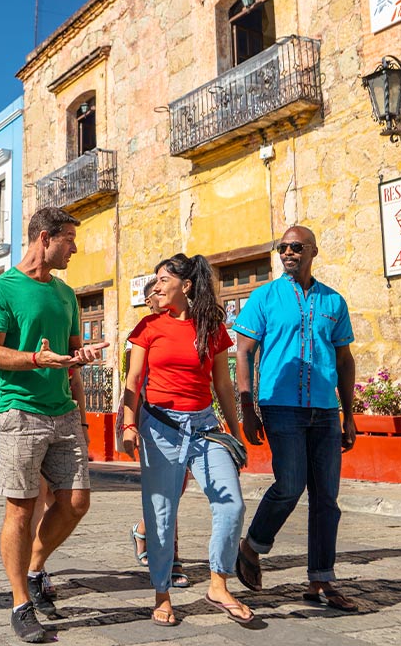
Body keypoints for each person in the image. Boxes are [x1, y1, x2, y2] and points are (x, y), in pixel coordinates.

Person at [0, 207, 107, 643]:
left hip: (63, 412)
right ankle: (20, 602)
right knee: (21, 508)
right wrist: (35, 358)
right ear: (45, 237)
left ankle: (34, 567)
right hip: (17, 411)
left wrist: (82, 362)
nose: (74, 247)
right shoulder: (1, 289)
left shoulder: (66, 294)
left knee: (76, 502)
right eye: (69, 239)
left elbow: (71, 355)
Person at [120, 254, 250, 627]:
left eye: (163, 280)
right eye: (155, 281)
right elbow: (133, 382)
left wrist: (235, 434)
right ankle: (162, 594)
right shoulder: (148, 327)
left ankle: (218, 585)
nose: (156, 287)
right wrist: (129, 425)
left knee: (232, 505)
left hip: (205, 426)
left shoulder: (212, 327)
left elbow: (222, 385)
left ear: (186, 285)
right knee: (161, 514)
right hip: (159, 427)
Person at [234, 226, 359, 611]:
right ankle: (252, 545)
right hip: (280, 405)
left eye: (296, 247)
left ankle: (321, 579)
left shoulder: (333, 302)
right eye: (282, 247)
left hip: (324, 409)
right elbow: (244, 352)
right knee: (289, 483)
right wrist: (247, 408)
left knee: (327, 496)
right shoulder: (265, 297)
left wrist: (349, 414)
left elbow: (343, 359)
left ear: (313, 252)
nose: (288, 252)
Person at [125, 278, 190, 589]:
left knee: (176, 488)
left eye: (156, 292)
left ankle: (143, 530)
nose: (153, 299)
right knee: (165, 489)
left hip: (184, 419)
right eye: (151, 295)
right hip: (149, 417)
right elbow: (132, 381)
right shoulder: (142, 332)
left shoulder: (181, 328)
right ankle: (173, 558)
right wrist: (130, 423)